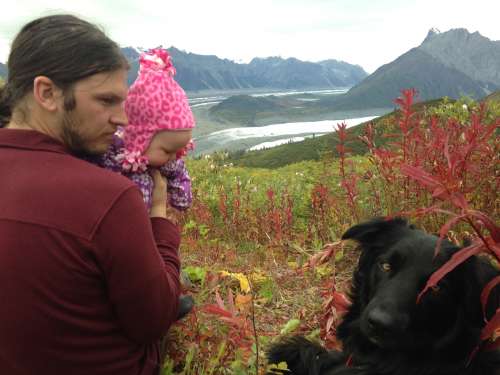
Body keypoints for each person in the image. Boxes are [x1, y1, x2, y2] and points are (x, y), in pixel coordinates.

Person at [0, 14, 181, 375]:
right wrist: (159, 217)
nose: (123, 119)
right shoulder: (108, 197)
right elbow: (155, 319)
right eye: (106, 101)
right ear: (47, 93)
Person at [90, 47, 196, 319]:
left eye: (178, 151)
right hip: (119, 230)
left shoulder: (163, 159)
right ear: (140, 136)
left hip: (145, 228)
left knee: (147, 257)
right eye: (167, 150)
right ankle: (152, 300)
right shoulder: (112, 155)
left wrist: (180, 194)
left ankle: (162, 294)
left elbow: (179, 174)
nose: (172, 158)